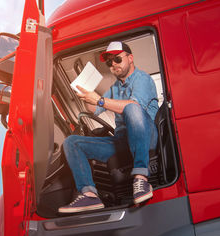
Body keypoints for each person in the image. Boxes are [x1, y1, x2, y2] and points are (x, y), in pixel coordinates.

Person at [58, 41, 159, 213]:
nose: (113, 64)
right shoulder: (115, 88)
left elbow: (133, 107)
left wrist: (99, 100)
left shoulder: (143, 79)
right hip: (121, 141)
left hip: (145, 136)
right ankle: (90, 196)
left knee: (132, 108)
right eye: (109, 62)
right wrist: (86, 95)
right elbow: (95, 108)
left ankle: (141, 178)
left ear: (130, 58)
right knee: (71, 142)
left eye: (117, 59)